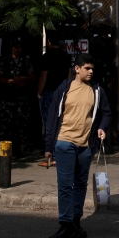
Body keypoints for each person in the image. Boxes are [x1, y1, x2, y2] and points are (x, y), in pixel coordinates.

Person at [43, 52, 111, 238]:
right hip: (64, 141)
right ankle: (64, 224)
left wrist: (101, 128)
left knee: (80, 184)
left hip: (85, 145)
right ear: (77, 69)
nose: (90, 72)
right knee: (65, 185)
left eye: (92, 69)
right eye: (87, 68)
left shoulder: (97, 90)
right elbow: (51, 118)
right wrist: (49, 145)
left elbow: (106, 113)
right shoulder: (65, 88)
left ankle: (75, 222)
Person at [36, 39, 74, 167]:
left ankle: (52, 154)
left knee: (49, 123)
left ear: (49, 42)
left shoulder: (47, 57)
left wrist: (39, 92)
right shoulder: (66, 56)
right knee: (61, 123)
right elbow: (69, 76)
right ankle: (60, 154)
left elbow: (43, 76)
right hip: (63, 92)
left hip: (50, 92)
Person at [0, 40, 36, 156]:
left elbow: (32, 77)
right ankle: (4, 151)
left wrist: (22, 79)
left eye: (20, 47)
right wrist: (11, 81)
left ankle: (17, 149)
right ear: (11, 48)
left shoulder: (25, 60)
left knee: (20, 124)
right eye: (16, 47)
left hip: (21, 99)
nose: (18, 50)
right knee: (5, 126)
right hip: (8, 98)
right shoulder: (5, 61)